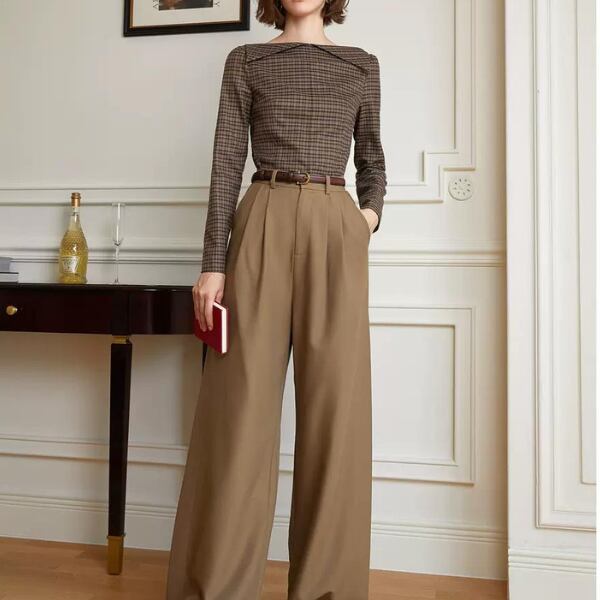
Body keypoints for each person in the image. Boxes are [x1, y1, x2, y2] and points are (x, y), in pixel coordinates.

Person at [166, 0, 386, 598]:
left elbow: (372, 159)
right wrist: (212, 264)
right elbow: (225, 165)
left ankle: (327, 590)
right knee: (238, 415)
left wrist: (364, 220)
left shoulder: (361, 65)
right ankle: (214, 587)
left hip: (335, 227)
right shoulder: (246, 61)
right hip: (261, 217)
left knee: (336, 416)